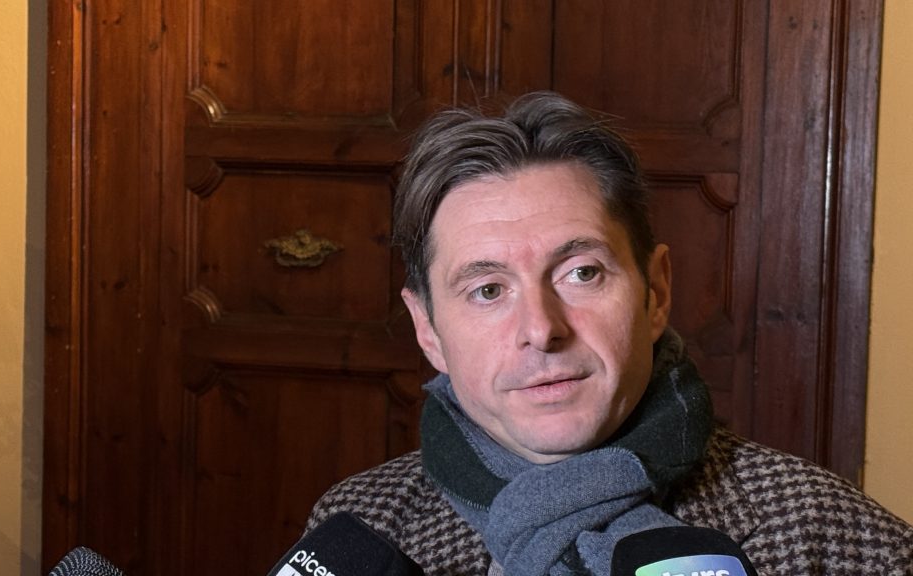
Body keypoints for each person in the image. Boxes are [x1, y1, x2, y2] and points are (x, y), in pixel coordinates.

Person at [306, 92, 913, 575]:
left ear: (656, 293)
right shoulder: (360, 524)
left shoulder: (828, 536)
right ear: (428, 329)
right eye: (488, 290)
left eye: (582, 273)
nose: (541, 330)